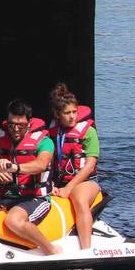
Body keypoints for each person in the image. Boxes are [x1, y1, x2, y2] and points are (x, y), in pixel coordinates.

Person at [0, 99, 59, 256]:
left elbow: (41, 164)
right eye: (11, 124)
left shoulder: (45, 142)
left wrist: (14, 168)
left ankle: (52, 251)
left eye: (20, 125)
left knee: (13, 220)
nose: (15, 129)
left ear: (29, 122)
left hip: (33, 198)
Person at [47, 82, 101, 250]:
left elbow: (90, 164)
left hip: (85, 182)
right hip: (59, 182)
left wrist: (69, 187)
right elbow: (46, 162)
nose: (72, 116)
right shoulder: (51, 132)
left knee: (79, 199)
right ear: (57, 114)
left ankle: (86, 250)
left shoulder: (88, 132)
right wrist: (51, 185)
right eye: (67, 113)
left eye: (74, 112)